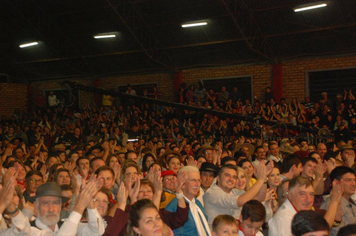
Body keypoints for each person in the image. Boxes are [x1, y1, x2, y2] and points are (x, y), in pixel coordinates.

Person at [204, 163, 270, 228]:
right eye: (227, 175)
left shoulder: (234, 191)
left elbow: (259, 198)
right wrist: (260, 179)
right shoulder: (212, 193)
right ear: (218, 178)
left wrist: (264, 179)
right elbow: (241, 201)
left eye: (234, 177)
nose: (231, 179)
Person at [29, 179, 105, 236]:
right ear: (36, 206)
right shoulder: (28, 230)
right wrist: (80, 207)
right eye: (45, 204)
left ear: (60, 206)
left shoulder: (64, 223)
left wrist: (89, 202)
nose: (51, 209)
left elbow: (97, 232)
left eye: (55, 203)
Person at [166, 166, 211, 236]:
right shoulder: (174, 205)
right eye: (193, 180)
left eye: (199, 180)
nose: (197, 184)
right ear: (182, 184)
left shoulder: (197, 203)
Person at [321, 166, 356, 236]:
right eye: (348, 180)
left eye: (354, 180)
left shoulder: (353, 202)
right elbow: (337, 233)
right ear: (337, 183)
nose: (354, 184)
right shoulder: (331, 204)